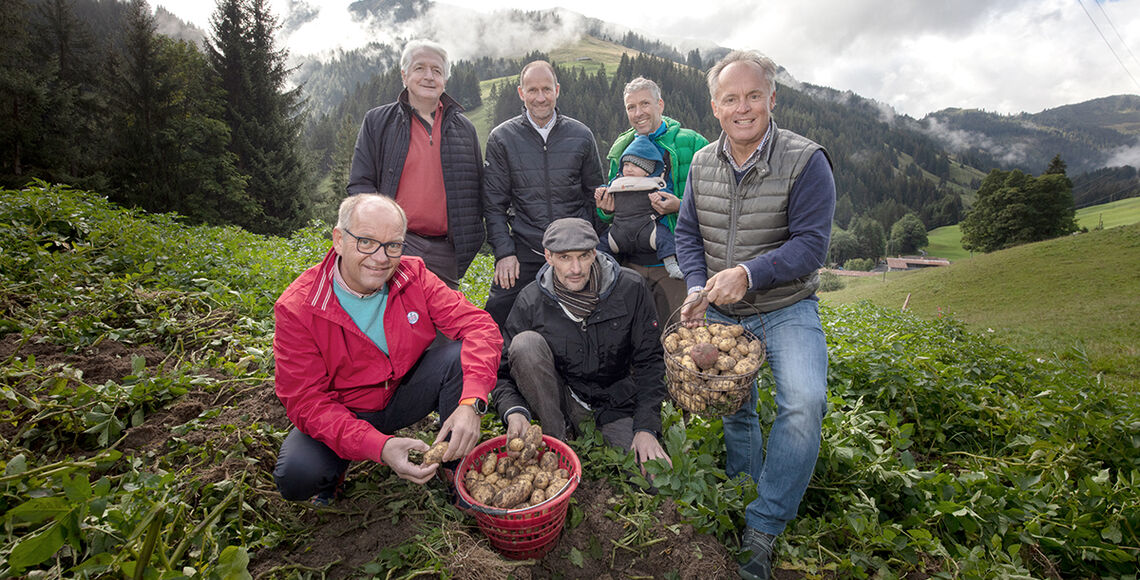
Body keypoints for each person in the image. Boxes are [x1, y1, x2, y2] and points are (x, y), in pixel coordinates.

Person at [673, 51, 835, 580]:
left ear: (772, 98)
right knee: (735, 405)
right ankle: (744, 492)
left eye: (753, 96)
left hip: (786, 307)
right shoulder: (701, 163)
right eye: (730, 98)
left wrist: (747, 273)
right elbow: (688, 235)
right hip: (723, 310)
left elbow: (812, 245)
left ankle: (764, 524)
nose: (742, 108)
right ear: (714, 106)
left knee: (805, 401)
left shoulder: (806, 160)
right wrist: (699, 286)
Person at [272, 194, 502, 505]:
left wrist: (472, 402)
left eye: (393, 245)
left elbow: (479, 327)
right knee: (297, 475)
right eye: (366, 242)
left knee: (457, 357)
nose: (381, 258)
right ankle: (337, 468)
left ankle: (452, 464)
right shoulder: (299, 307)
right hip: (345, 409)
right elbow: (307, 401)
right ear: (339, 240)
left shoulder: (413, 275)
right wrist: (378, 446)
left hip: (400, 394)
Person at [491, 218, 671, 474]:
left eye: (583, 257)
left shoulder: (631, 288)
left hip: (615, 402)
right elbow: (501, 373)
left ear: (595, 253)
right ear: (548, 257)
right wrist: (513, 411)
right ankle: (558, 437)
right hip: (560, 398)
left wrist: (646, 427)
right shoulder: (531, 300)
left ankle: (601, 432)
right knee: (525, 345)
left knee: (653, 476)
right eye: (565, 258)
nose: (575, 268)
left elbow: (650, 361)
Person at [347, 39, 483, 290]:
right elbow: (360, 184)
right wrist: (374, 239)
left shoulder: (465, 129)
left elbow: (476, 190)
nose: (429, 76)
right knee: (388, 323)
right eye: (420, 68)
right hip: (393, 246)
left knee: (441, 325)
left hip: (446, 251)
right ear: (404, 75)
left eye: (437, 71)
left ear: (445, 80)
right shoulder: (378, 121)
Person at [483, 60, 606, 328]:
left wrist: (592, 245)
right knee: (496, 315)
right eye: (533, 90)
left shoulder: (581, 135)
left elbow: (593, 195)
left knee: (597, 315)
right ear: (521, 93)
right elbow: (493, 205)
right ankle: (500, 369)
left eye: (546, 89)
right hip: (526, 248)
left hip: (574, 249)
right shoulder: (502, 138)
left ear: (557, 90)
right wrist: (504, 253)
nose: (540, 98)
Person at [595, 76, 709, 324]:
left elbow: (715, 201)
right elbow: (619, 205)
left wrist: (678, 206)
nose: (638, 113)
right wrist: (606, 210)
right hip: (630, 264)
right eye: (631, 107)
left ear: (660, 104)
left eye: (645, 104)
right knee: (634, 336)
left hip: (676, 264)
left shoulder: (692, 143)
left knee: (680, 331)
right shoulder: (622, 147)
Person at [595, 135, 682, 279]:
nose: (629, 169)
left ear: (647, 171)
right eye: (627, 165)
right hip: (619, 230)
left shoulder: (654, 183)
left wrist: (659, 197)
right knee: (602, 243)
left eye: (635, 166)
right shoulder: (618, 182)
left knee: (665, 237)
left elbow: (666, 194)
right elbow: (607, 190)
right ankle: (602, 267)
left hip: (648, 228)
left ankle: (671, 264)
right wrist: (601, 192)